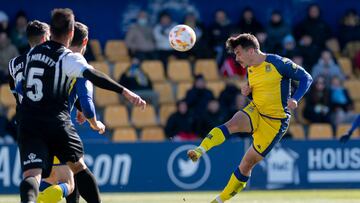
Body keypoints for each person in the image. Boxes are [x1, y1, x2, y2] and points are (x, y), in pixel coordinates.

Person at [18, 8, 145, 203]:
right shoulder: (68, 57)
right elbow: (93, 76)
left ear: (50, 31)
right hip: (55, 122)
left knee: (31, 174)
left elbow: (20, 86)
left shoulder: (32, 53)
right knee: (78, 168)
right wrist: (125, 91)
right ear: (71, 33)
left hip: (28, 122)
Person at [187, 33, 312, 203]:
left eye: (238, 53)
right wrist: (248, 93)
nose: (236, 58)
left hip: (275, 123)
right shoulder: (250, 68)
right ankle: (200, 150)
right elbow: (260, 95)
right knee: (232, 124)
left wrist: (296, 98)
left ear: (251, 51)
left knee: (247, 164)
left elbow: (307, 78)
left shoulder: (278, 63)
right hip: (256, 110)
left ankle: (220, 200)